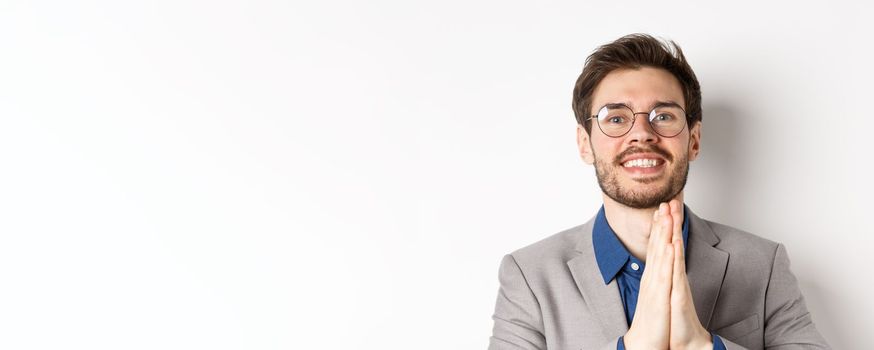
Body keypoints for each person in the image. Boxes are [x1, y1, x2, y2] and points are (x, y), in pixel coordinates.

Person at [487, 34, 830, 350]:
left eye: (663, 116)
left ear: (693, 140)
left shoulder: (763, 264)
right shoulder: (530, 275)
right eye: (616, 118)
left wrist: (702, 344)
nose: (642, 134)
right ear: (584, 143)